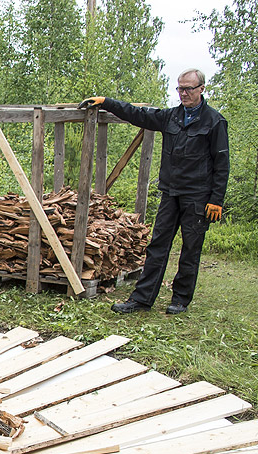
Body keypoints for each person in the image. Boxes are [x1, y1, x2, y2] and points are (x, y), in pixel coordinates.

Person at [80, 68, 229, 315]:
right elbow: (138, 115)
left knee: (191, 249)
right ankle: (141, 299)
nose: (183, 93)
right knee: (158, 245)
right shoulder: (170, 117)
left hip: (198, 197)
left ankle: (180, 299)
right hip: (171, 193)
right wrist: (108, 102)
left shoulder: (214, 122)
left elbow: (222, 163)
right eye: (180, 88)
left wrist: (216, 200)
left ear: (202, 89)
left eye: (188, 89)